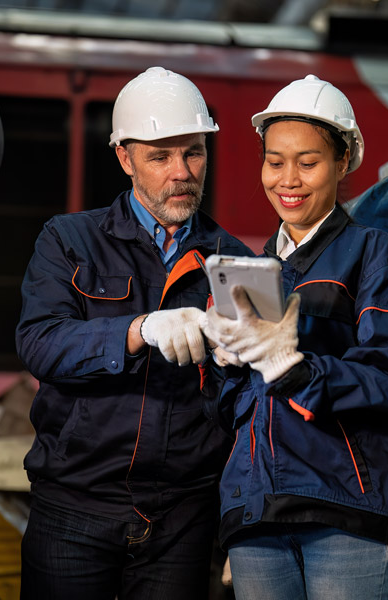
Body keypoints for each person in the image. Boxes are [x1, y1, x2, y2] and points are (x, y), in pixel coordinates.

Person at [15, 66, 252, 600]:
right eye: (160, 157)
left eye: (193, 153)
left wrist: (244, 519)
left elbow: (253, 401)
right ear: (125, 158)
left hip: (183, 518)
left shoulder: (235, 261)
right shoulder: (69, 240)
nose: (181, 173)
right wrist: (139, 329)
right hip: (74, 506)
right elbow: (41, 343)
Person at [203, 74, 388, 600]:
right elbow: (236, 409)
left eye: (308, 161)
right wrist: (225, 361)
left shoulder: (378, 255)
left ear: (344, 161)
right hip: (255, 512)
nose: (288, 179)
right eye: (275, 162)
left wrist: (292, 366)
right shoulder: (253, 272)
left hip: (345, 510)